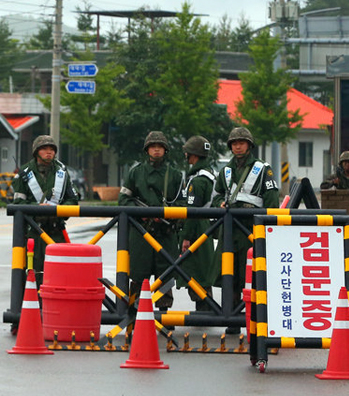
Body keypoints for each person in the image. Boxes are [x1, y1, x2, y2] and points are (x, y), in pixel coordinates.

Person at [213, 127, 279, 332]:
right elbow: (216, 196)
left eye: (241, 142)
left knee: (250, 276)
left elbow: (271, 199)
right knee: (228, 274)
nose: (237, 146)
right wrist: (219, 205)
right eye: (234, 143)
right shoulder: (225, 170)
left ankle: (254, 321)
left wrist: (267, 227)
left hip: (251, 230)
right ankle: (231, 321)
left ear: (249, 145)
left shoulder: (263, 169)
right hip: (229, 230)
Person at [118, 131, 184, 312]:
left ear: (165, 150)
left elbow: (182, 204)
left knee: (165, 275)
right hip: (141, 232)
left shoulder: (175, 175)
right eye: (153, 147)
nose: (156, 150)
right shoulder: (136, 173)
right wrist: (142, 212)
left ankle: (164, 313)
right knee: (139, 275)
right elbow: (123, 200)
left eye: (160, 147)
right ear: (147, 150)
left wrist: (168, 215)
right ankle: (135, 311)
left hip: (165, 232)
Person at [11, 134, 80, 287]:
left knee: (60, 270)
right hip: (33, 232)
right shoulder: (24, 173)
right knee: (33, 271)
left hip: (56, 230)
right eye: (44, 149)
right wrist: (36, 208)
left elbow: (73, 199)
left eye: (51, 149)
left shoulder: (62, 171)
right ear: (36, 152)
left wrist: (60, 210)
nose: (49, 152)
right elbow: (18, 203)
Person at [178, 135, 217, 311]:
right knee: (201, 270)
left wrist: (186, 238)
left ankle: (205, 309)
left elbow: (192, 212)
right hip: (206, 227)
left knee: (197, 272)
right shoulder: (208, 174)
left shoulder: (198, 180)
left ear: (192, 155)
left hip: (198, 229)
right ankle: (205, 309)